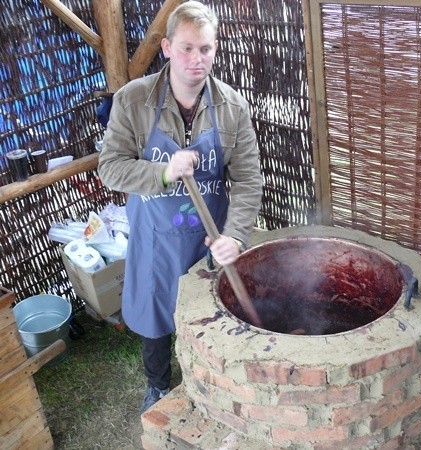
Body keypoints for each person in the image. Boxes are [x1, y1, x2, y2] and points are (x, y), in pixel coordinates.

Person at [98, 1, 262, 413]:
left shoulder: (232, 107)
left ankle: (212, 385)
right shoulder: (134, 101)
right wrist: (163, 173)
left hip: (209, 237)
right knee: (156, 317)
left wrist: (235, 235)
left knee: (212, 317)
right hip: (156, 236)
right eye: (187, 48)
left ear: (215, 48)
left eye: (205, 49)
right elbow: (111, 169)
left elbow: (247, 179)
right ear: (168, 48)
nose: (197, 59)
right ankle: (157, 384)